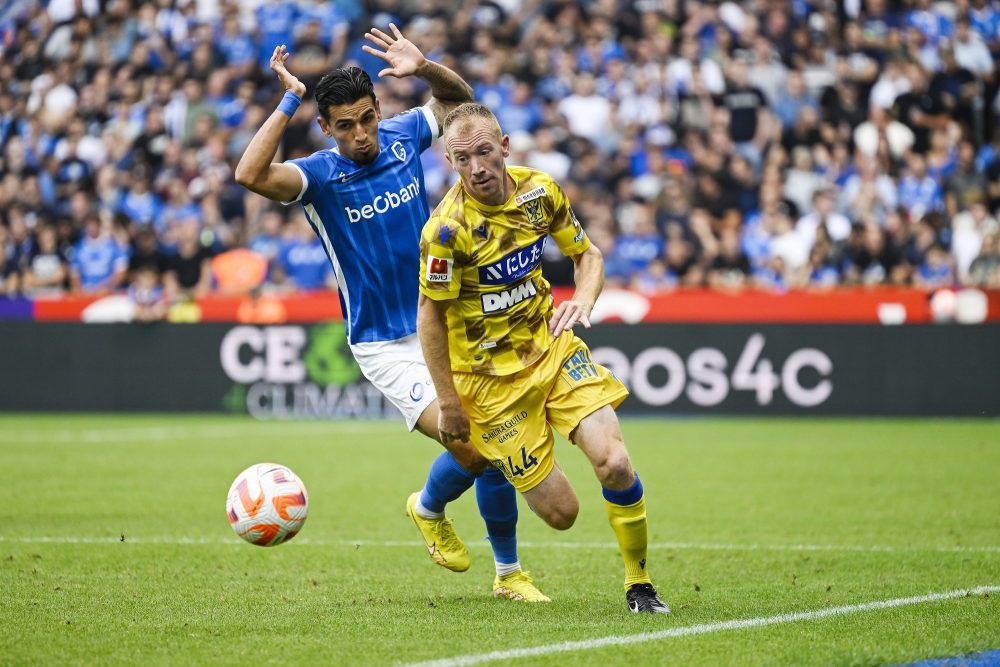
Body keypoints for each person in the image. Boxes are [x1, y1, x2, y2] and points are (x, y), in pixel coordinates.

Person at [234, 28, 542, 602]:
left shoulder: (404, 136)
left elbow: (465, 108)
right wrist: (288, 99)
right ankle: (429, 508)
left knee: (495, 451)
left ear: (378, 109)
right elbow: (249, 175)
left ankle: (508, 574)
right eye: (344, 126)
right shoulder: (319, 176)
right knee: (474, 447)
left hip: (447, 324)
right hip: (384, 343)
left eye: (365, 119)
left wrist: (426, 68)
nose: (360, 134)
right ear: (325, 128)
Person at [416, 103, 670, 614]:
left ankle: (639, 584)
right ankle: (426, 504)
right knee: (562, 514)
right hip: (489, 382)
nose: (477, 168)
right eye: (462, 159)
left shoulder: (539, 191)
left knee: (616, 464)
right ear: (449, 161)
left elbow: (588, 255)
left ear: (504, 146)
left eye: (484, 152)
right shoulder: (445, 231)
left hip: (551, 348)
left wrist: (583, 298)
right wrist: (449, 401)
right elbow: (430, 316)